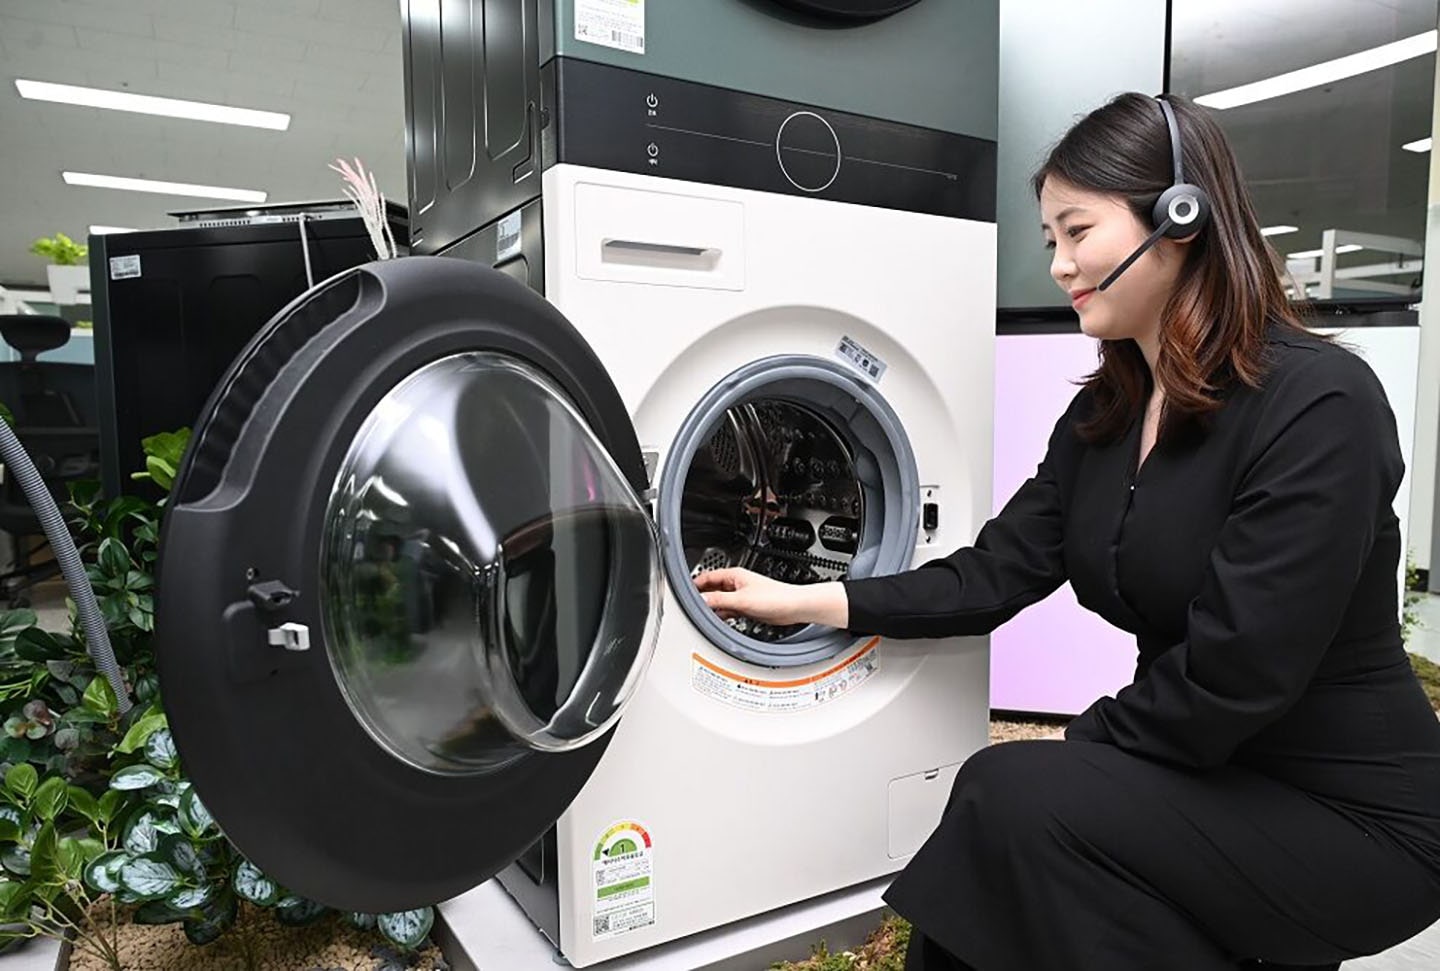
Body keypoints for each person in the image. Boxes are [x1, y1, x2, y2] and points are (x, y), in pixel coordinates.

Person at [693, 92, 1440, 971]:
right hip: (1201, 771)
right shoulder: (1107, 416)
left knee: (1016, 795)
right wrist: (808, 597)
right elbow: (992, 573)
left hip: (1348, 811)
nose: (1058, 264)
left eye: (1078, 231)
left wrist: (1077, 745)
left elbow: (1239, 671)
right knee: (1013, 814)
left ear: (1180, 217)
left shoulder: (1320, 404)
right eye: (1050, 239)